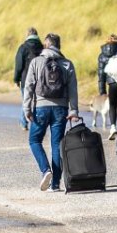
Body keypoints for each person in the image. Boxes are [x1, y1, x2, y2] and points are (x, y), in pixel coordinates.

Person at [22, 33, 79, 192]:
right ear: (59, 46)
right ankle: (55, 184)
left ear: (46, 45)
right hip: (61, 109)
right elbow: (73, 89)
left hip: (40, 108)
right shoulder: (67, 63)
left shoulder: (36, 62)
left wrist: (27, 109)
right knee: (57, 144)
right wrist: (73, 110)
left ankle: (46, 170)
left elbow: (29, 87)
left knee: (34, 140)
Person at [12, 27, 43, 130]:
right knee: (38, 102)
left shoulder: (23, 47)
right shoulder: (42, 47)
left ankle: (24, 123)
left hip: (26, 79)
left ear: (27, 35)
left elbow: (19, 65)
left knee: (26, 100)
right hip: (40, 79)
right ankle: (37, 123)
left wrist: (16, 79)